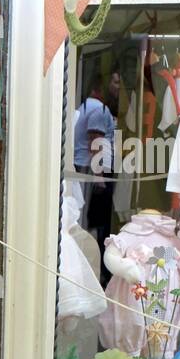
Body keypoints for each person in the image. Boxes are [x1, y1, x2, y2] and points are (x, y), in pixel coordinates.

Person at [74, 71, 120, 274]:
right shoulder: (99, 109)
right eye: (115, 82)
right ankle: (89, 268)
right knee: (89, 219)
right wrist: (99, 177)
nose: (118, 88)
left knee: (87, 218)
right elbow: (96, 142)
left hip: (86, 168)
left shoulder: (86, 107)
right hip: (90, 170)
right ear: (100, 87)